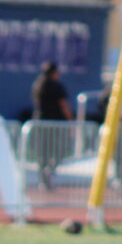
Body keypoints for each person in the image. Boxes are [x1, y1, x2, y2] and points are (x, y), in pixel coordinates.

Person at [30, 61, 73, 190]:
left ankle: (44, 176)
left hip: (40, 121)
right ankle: (49, 170)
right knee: (60, 149)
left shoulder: (37, 85)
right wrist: (71, 121)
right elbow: (63, 105)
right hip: (55, 122)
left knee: (43, 152)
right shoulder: (56, 86)